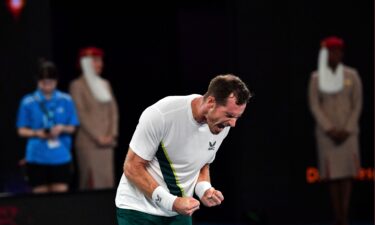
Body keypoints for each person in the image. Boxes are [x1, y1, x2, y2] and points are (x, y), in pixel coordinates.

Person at [115, 74, 251, 225]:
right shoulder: (162, 114)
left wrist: (204, 189)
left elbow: (203, 163)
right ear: (211, 102)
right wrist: (171, 202)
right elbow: (132, 167)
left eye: (237, 117)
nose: (233, 124)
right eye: (230, 115)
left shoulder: (221, 124)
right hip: (138, 210)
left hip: (179, 211)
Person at [308, 36, 362, 225]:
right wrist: (329, 128)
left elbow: (357, 103)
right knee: (332, 176)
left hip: (348, 133)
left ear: (342, 53)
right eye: (330, 51)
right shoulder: (317, 77)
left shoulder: (351, 75)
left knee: (346, 175)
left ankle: (344, 217)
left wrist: (347, 128)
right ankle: (337, 216)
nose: (334, 55)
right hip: (327, 134)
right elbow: (315, 105)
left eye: (337, 51)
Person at [16, 59, 79, 194]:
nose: (47, 86)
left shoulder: (66, 99)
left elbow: (73, 127)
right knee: (40, 200)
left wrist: (61, 128)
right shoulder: (28, 101)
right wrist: (37, 133)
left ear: (56, 81)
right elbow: (21, 130)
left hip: (60, 156)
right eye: (43, 83)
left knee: (60, 199)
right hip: (37, 156)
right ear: (38, 81)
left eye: (50, 82)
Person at [69, 47, 119, 190]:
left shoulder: (105, 84)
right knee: (91, 183)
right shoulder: (77, 85)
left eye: (100, 60)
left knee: (107, 183)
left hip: (107, 143)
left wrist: (111, 134)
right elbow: (80, 114)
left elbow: (113, 111)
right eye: (96, 61)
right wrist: (98, 137)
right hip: (89, 143)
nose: (100, 64)